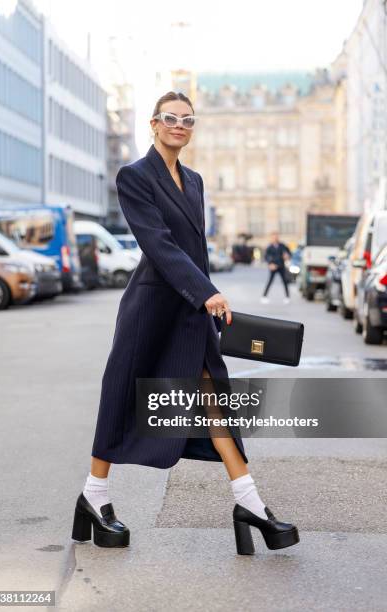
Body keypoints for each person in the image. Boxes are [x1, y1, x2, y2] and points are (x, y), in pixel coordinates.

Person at [71, 91, 299, 554]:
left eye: (188, 119)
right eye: (171, 118)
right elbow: (157, 244)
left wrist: (205, 299)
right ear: (154, 124)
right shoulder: (134, 176)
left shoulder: (193, 181)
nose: (179, 125)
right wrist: (206, 292)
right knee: (122, 394)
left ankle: (249, 502)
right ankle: (94, 495)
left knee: (216, 399)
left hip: (191, 309)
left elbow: (193, 249)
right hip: (152, 308)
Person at [261, 232, 292, 304]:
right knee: (270, 281)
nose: (275, 238)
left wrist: (287, 256)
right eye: (274, 237)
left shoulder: (282, 245)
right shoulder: (269, 247)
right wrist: (270, 264)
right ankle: (264, 296)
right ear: (271, 238)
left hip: (281, 266)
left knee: (285, 281)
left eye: (276, 236)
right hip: (273, 266)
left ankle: (287, 297)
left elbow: (289, 253)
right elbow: (266, 257)